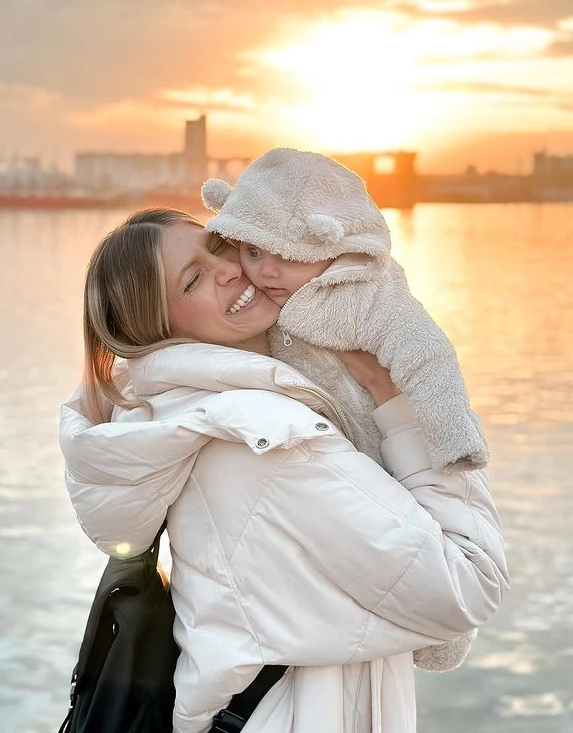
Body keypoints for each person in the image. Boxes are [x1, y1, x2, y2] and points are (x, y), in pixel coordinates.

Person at [59, 208, 509, 733]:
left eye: (218, 246)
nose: (228, 269)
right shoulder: (269, 440)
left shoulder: (185, 414)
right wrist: (398, 405)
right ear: (161, 331)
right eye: (193, 280)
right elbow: (467, 585)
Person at [201, 147, 489, 672]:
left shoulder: (368, 295)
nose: (265, 272)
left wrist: (454, 438)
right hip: (326, 456)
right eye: (253, 252)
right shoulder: (258, 299)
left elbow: (427, 354)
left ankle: (442, 632)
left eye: (284, 255)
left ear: (330, 241)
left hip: (382, 440)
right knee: (390, 555)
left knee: (421, 548)